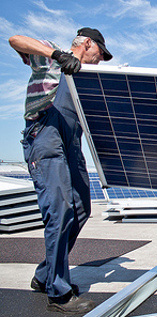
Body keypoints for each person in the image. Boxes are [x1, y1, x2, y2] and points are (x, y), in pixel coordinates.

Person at [9, 27, 112, 314]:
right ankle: (59, 293)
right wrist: (57, 54)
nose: (100, 60)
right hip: (45, 136)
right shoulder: (52, 56)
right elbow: (15, 40)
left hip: (71, 143)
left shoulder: (87, 80)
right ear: (88, 43)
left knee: (80, 208)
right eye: (100, 54)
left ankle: (44, 275)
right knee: (60, 209)